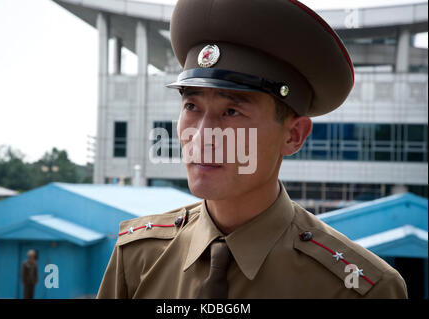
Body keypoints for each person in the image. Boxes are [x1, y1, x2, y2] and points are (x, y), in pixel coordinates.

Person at [97, 0, 407, 298]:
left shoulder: (353, 288)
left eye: (232, 111)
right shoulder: (137, 258)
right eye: (191, 105)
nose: (202, 136)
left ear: (294, 136)